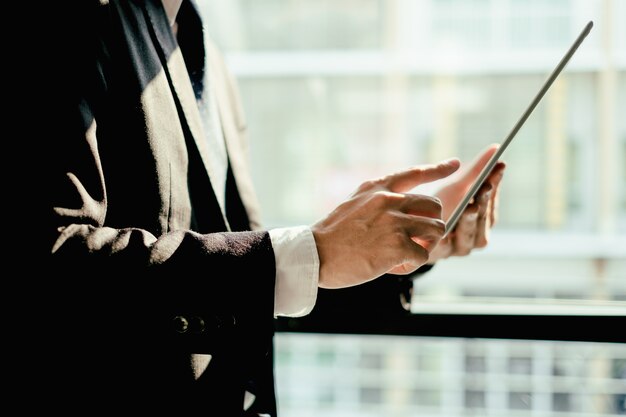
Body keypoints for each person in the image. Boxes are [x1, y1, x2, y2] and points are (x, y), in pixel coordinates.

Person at [31, 0, 505, 415]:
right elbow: (52, 263)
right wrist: (314, 250)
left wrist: (398, 245)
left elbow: (257, 284)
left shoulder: (205, 52)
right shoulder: (70, 19)